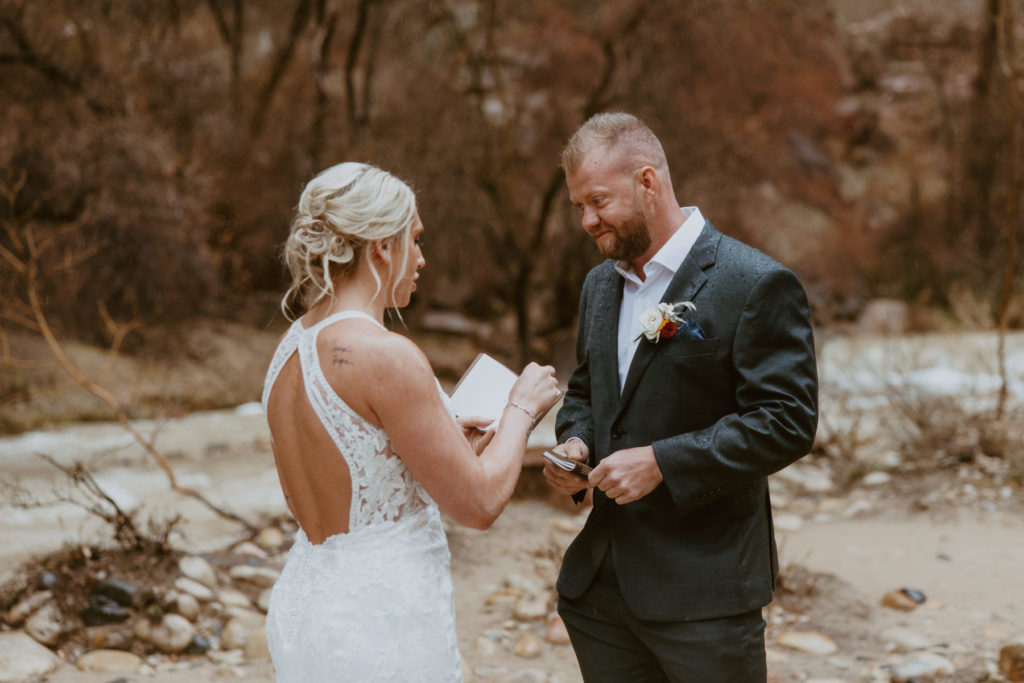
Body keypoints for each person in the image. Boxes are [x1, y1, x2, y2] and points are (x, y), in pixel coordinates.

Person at [543, 113, 819, 682]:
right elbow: (587, 390)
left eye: (598, 202)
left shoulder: (755, 283)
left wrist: (662, 462)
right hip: (602, 592)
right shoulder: (600, 285)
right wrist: (573, 442)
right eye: (579, 208)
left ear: (648, 183)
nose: (588, 221)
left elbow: (788, 420)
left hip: (707, 592)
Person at [261, 162, 561, 682]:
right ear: (381, 246)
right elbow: (480, 505)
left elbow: (334, 490)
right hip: (379, 619)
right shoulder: (386, 355)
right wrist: (522, 409)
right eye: (415, 240)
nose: (421, 259)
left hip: (305, 607)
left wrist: (447, 447)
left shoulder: (289, 349)